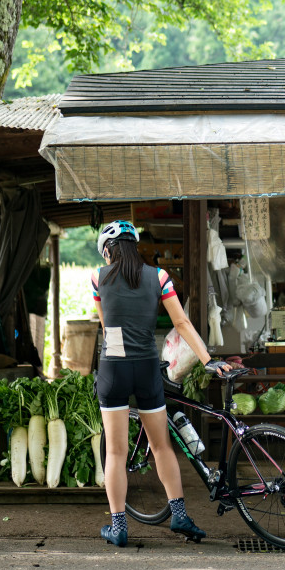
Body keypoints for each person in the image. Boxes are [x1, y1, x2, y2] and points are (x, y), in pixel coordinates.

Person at [92, 220, 227, 547]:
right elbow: (180, 322)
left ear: (108, 250)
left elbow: (107, 324)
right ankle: (179, 513)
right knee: (162, 445)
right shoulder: (159, 277)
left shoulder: (98, 277)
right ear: (134, 246)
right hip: (147, 367)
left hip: (114, 368)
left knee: (116, 452)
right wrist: (208, 360)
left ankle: (119, 526)